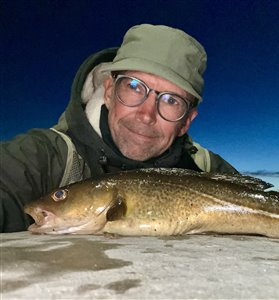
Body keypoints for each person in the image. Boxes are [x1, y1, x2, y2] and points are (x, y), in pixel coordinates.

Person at [0, 24, 238, 232]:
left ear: (186, 121)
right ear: (109, 92)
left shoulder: (206, 169)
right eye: (134, 87)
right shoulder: (40, 158)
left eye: (171, 100)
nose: (146, 115)